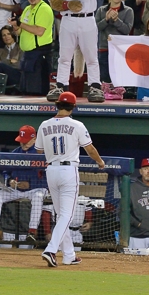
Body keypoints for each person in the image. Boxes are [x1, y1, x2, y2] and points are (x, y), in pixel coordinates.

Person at [35, 91, 105, 267]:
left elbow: (38, 150)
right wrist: (100, 162)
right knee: (67, 214)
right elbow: (90, 149)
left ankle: (69, 255)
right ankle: (51, 250)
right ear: (73, 107)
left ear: (57, 105)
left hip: (51, 170)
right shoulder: (77, 125)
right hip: (68, 170)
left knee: (61, 215)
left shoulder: (44, 124)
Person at [0, 126, 49, 245]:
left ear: (34, 139)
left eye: (26, 141)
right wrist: (10, 181)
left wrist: (32, 184)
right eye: (21, 140)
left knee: (38, 197)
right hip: (17, 189)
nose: (23, 143)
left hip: (36, 189)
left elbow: (50, 177)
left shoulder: (43, 153)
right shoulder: (15, 153)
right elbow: (5, 172)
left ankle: (32, 232)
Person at [9, 0, 53, 95]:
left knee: (36, 90)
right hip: (27, 54)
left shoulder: (44, 9)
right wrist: (15, 26)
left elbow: (39, 31)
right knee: (26, 89)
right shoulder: (27, 9)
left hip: (39, 53)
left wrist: (20, 24)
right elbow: (20, 32)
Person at [96, 0, 133, 84]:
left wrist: (117, 20)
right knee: (104, 78)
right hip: (104, 48)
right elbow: (96, 28)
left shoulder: (128, 11)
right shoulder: (101, 10)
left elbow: (127, 30)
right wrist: (106, 19)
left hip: (120, 49)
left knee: (119, 78)